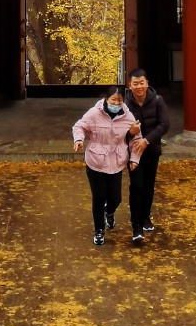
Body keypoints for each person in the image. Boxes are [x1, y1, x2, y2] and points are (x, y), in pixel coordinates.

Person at [72, 86, 137, 246]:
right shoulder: (95, 113)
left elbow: (136, 138)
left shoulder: (128, 116)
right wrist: (78, 139)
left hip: (117, 160)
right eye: (113, 100)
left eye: (119, 100)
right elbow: (79, 126)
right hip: (96, 160)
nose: (116, 103)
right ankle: (99, 230)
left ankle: (109, 211)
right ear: (106, 99)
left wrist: (134, 158)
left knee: (116, 198)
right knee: (99, 197)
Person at [125, 68, 170, 243]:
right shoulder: (126, 104)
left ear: (147, 83)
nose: (139, 86)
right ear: (130, 85)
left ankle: (145, 216)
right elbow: (119, 129)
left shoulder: (157, 100)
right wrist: (131, 132)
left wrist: (147, 140)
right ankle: (136, 225)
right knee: (136, 186)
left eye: (141, 83)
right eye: (135, 83)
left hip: (151, 150)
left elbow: (164, 124)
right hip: (134, 152)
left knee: (149, 185)